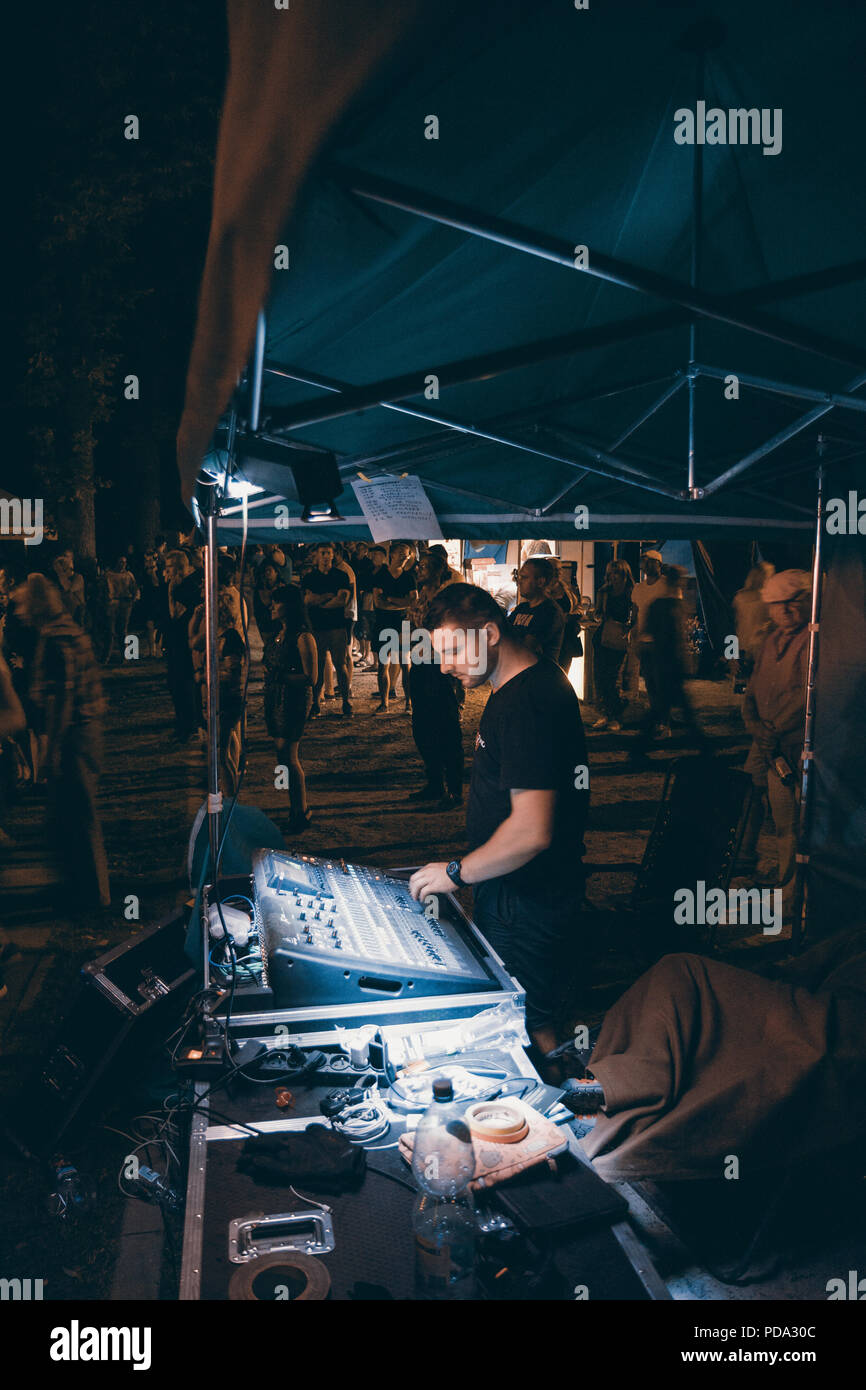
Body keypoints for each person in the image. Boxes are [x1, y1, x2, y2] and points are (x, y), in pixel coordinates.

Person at [409, 583, 589, 1063]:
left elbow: (532, 831)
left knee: (529, 1027)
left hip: (528, 899)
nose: (444, 665)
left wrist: (453, 872)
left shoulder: (527, 705)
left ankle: (564, 1120)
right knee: (533, 1019)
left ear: (489, 632)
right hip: (517, 893)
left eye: (450, 650)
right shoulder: (526, 686)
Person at [578, 929, 866, 1182]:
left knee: (683, 972)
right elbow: (797, 971)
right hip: (807, 1003)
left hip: (840, 1028)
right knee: (677, 974)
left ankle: (623, 1086)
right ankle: (615, 1084)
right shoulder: (856, 936)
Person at [12, 573, 110, 914]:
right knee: (72, 813)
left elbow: (60, 699)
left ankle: (93, 894)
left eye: (22, 605)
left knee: (78, 814)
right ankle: (82, 888)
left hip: (73, 737)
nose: (19, 613)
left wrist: (51, 751)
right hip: (90, 731)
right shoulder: (70, 630)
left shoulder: (53, 639)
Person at [738, 569, 811, 913]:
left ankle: (799, 890)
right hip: (771, 746)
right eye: (777, 605)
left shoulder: (815, 642)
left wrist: (771, 731)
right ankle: (787, 885)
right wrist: (757, 728)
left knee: (800, 822)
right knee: (783, 823)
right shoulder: (771, 641)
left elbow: (807, 695)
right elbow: (752, 690)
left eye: (790, 603)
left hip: (796, 746)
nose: (784, 611)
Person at [406, 549, 463, 811]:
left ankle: (453, 789)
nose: (419, 570)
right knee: (422, 726)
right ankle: (434, 783)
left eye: (425, 566)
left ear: (439, 571)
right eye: (419, 566)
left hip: (442, 666)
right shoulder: (419, 599)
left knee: (446, 729)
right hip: (421, 663)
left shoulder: (448, 599)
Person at [630, 565, 706, 759]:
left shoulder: (663, 604)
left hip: (664, 661)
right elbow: (676, 638)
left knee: (663, 707)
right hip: (668, 662)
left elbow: (648, 629)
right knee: (673, 708)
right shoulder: (672, 605)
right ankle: (703, 746)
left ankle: (639, 747)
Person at [263, 584, 317, 833]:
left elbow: (311, 677)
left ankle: (301, 809)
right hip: (275, 697)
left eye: (277, 602)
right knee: (281, 753)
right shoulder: (277, 633)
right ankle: (291, 803)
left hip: (294, 698)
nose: (272, 606)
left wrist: (281, 677)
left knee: (289, 753)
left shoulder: (303, 637)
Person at [301, 542, 352, 718]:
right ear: (316, 555)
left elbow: (342, 600)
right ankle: (315, 703)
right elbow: (307, 600)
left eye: (328, 553)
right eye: (322, 553)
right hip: (317, 628)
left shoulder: (341, 576)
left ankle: (346, 701)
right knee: (318, 666)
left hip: (337, 627)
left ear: (333, 555)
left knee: (341, 664)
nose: (325, 556)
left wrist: (319, 601)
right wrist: (329, 597)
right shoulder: (309, 578)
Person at [371, 541, 417, 713]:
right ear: (392, 554)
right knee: (384, 664)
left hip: (402, 624)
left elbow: (413, 602)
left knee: (406, 664)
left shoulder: (409, 577)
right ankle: (385, 702)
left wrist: (389, 599)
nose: (405, 558)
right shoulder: (380, 575)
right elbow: (377, 602)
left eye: (407, 555)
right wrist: (402, 603)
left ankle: (409, 703)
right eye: (402, 554)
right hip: (384, 623)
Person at [591, 559, 635, 731]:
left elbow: (635, 616)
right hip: (603, 636)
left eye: (615, 573)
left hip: (619, 637)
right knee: (600, 678)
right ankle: (605, 714)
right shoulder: (604, 591)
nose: (612, 576)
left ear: (624, 574)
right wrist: (599, 615)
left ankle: (615, 715)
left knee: (613, 677)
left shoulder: (631, 592)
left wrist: (629, 625)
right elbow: (597, 614)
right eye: (609, 573)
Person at [163, 550, 202, 742]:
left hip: (186, 644)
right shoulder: (175, 585)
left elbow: (176, 614)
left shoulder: (188, 587)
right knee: (175, 684)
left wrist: (171, 592)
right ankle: (182, 723)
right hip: (175, 643)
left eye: (169, 568)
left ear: (178, 568)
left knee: (186, 685)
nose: (166, 572)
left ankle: (190, 725)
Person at [628, 548, 665, 727]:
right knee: (650, 682)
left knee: (661, 682)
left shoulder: (666, 586)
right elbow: (636, 613)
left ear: (658, 564)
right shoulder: (638, 588)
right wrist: (634, 632)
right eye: (644, 562)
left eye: (650, 561)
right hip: (644, 641)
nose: (645, 565)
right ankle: (658, 719)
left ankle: (662, 720)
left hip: (661, 642)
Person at [509, 558, 566, 664]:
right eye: (519, 577)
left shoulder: (549, 612)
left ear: (540, 582)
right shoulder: (521, 608)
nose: (519, 582)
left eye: (524, 577)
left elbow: (527, 649)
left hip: (539, 677)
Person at [732, 561, 774, 686]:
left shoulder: (740, 597)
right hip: (761, 647)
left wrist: (733, 653)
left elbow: (735, 626)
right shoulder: (767, 598)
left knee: (749, 684)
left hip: (743, 647)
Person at [104, 555, 139, 663]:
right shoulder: (109, 575)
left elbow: (134, 589)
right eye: (121, 562)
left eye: (124, 562)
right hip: (112, 603)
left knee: (123, 630)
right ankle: (106, 656)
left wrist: (133, 599)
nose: (123, 564)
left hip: (125, 603)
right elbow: (103, 590)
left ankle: (125, 655)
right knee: (110, 631)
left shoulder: (128, 575)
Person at [52, 550, 86, 628]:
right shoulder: (59, 579)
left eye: (67, 557)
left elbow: (68, 588)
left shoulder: (78, 578)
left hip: (77, 612)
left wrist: (60, 572)